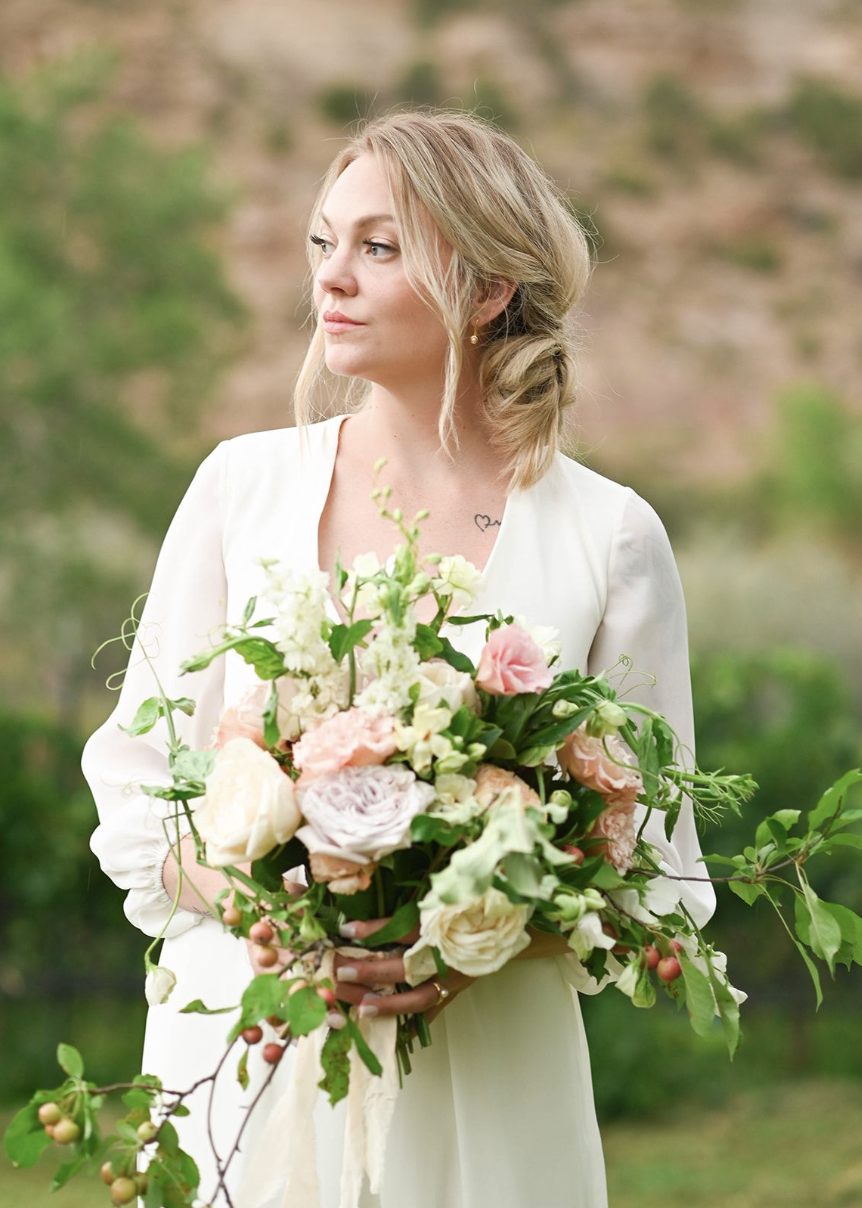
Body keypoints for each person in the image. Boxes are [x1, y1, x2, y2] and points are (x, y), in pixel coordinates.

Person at [83, 109, 715, 1208]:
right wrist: (270, 910)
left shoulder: (608, 538)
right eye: (325, 242)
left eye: (379, 247)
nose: (332, 278)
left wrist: (465, 942)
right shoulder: (241, 490)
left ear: (482, 291)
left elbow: (652, 875)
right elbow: (142, 797)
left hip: (486, 1086)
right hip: (243, 1055)